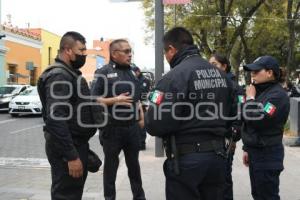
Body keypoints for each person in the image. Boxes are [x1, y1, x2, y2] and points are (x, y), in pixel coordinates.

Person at [145, 27, 237, 200]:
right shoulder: (222, 76)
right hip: (217, 158)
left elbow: (157, 124)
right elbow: (234, 114)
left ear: (171, 49)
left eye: (166, 53)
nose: (166, 58)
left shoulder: (173, 77)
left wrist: (147, 119)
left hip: (187, 162)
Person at [37, 31, 97, 200]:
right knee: (66, 195)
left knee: (73, 193)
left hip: (76, 144)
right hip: (67, 150)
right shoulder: (59, 75)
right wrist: (71, 156)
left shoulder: (69, 74)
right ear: (68, 50)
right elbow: (56, 119)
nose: (84, 55)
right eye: (81, 50)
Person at [91, 39, 146, 200]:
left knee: (134, 167)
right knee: (111, 169)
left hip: (132, 128)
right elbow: (93, 99)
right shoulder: (103, 72)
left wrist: (141, 117)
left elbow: (136, 99)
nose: (130, 54)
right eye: (126, 51)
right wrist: (115, 100)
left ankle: (139, 197)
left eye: (131, 51)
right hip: (112, 128)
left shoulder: (133, 71)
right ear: (114, 54)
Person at [242, 55, 290, 200]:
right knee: (258, 194)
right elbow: (247, 122)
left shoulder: (277, 96)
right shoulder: (261, 92)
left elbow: (257, 119)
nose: (252, 74)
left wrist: (250, 99)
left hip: (267, 154)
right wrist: (246, 148)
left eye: (256, 71)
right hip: (255, 151)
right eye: (251, 71)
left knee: (267, 196)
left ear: (269, 73)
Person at [209, 53, 243, 200]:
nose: (210, 67)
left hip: (225, 139)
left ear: (224, 66)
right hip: (211, 139)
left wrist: (233, 137)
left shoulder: (234, 87)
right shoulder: (212, 83)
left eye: (214, 64)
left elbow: (239, 114)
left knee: (224, 178)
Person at [132, 65, 151, 150]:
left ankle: (142, 143)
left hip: (142, 104)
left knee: (142, 125)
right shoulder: (134, 80)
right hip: (135, 104)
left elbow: (143, 92)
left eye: (134, 73)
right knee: (135, 125)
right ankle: (137, 142)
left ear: (138, 72)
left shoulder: (145, 80)